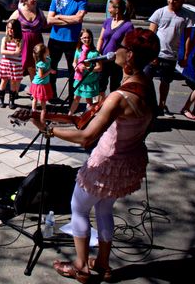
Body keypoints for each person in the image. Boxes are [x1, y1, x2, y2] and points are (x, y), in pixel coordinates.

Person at [30, 28, 160, 284]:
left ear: (130, 55)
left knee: (78, 208)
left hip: (106, 162)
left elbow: (86, 137)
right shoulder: (147, 86)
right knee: (104, 208)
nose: (116, 50)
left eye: (121, 46)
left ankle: (80, 267)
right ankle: (102, 263)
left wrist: (49, 130)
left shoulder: (119, 97)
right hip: (128, 161)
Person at [145, 0, 195, 116]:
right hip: (156, 54)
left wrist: (185, 56)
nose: (171, 1)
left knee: (165, 82)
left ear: (182, 0)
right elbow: (151, 34)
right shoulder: (160, 12)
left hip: (171, 56)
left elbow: (188, 38)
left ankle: (161, 105)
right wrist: (151, 53)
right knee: (145, 79)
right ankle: (146, 104)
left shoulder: (186, 16)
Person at [47, 0, 88, 104]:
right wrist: (71, 20)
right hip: (55, 40)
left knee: (73, 71)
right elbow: (49, 20)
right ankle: (52, 96)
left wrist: (59, 16)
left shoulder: (82, 0)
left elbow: (78, 19)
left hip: (73, 41)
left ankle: (71, 100)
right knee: (52, 69)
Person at [96, 0, 134, 101]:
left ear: (117, 9)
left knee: (114, 86)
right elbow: (101, 38)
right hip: (103, 59)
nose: (108, 10)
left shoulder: (128, 25)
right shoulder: (107, 21)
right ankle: (100, 106)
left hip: (116, 62)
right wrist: (97, 52)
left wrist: (116, 54)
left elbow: (127, 45)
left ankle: (113, 105)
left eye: (110, 8)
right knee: (100, 85)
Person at [8, 0, 46, 83]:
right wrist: (12, 39)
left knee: (34, 67)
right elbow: (9, 25)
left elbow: (45, 24)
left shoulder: (39, 12)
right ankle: (14, 89)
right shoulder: (18, 12)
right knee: (20, 67)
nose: (35, 0)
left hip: (37, 43)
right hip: (23, 44)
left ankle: (34, 89)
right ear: (25, 0)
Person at [69, 29, 102, 115]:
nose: (87, 39)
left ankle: (86, 118)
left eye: (89, 37)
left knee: (89, 101)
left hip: (89, 81)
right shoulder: (78, 50)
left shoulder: (95, 53)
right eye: (84, 38)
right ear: (80, 39)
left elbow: (99, 68)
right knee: (76, 98)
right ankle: (69, 115)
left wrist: (87, 68)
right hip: (79, 80)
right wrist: (75, 67)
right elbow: (74, 62)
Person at [0, 20, 23, 109]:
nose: (10, 30)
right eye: (8, 28)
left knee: (13, 82)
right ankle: (1, 99)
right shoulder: (4, 39)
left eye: (12, 28)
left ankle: (11, 101)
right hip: (5, 64)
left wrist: (8, 52)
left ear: (17, 29)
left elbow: (18, 52)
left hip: (15, 65)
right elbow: (2, 51)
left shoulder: (19, 40)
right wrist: (13, 53)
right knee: (4, 81)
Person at [29, 43, 57, 125]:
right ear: (43, 53)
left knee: (41, 100)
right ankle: (37, 115)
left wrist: (51, 70)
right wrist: (50, 71)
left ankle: (41, 114)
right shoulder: (41, 64)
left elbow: (48, 67)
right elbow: (41, 76)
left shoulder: (48, 59)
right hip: (39, 84)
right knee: (38, 99)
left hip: (44, 83)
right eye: (47, 49)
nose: (48, 50)